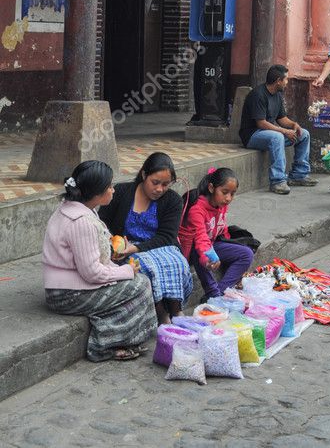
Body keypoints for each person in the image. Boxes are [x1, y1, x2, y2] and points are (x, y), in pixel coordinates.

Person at [42, 160, 157, 362]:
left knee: (137, 281)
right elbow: (93, 273)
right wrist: (127, 271)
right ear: (96, 193)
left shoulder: (75, 209)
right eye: (109, 186)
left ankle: (113, 335)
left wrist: (119, 267)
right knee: (140, 285)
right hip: (66, 295)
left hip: (68, 287)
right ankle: (103, 345)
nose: (113, 190)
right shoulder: (81, 222)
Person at [99, 151, 192, 325]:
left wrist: (137, 248)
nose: (159, 189)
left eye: (165, 184)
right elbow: (102, 223)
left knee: (176, 262)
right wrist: (114, 246)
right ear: (144, 174)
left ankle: (176, 309)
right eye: (155, 182)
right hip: (126, 247)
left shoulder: (172, 200)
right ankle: (161, 312)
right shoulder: (121, 192)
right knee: (147, 266)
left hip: (161, 245)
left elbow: (167, 236)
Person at [239, 64, 317, 195]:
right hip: (252, 135)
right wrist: (285, 131)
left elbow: (282, 119)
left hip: (268, 134)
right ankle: (277, 181)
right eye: (285, 79)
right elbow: (261, 123)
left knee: (304, 134)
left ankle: (299, 174)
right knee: (277, 137)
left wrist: (293, 125)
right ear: (278, 81)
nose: (287, 82)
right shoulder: (258, 94)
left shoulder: (277, 94)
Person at [178, 167, 254, 299]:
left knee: (246, 253)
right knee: (200, 252)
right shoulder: (197, 210)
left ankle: (220, 291)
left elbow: (222, 228)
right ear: (211, 188)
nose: (228, 198)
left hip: (211, 244)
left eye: (232, 193)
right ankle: (212, 292)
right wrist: (208, 258)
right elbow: (201, 237)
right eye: (224, 192)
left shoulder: (221, 205)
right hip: (194, 250)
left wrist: (229, 243)